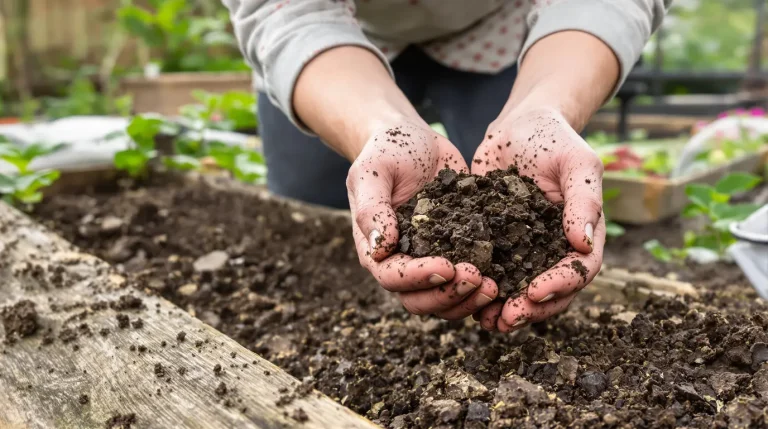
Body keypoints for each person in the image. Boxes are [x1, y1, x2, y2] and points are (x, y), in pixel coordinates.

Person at [221, 0, 670, 332]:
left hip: (503, 26)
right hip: (327, 30)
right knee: (307, 212)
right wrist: (382, 127)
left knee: (520, 177)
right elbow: (278, 11)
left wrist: (546, 107)